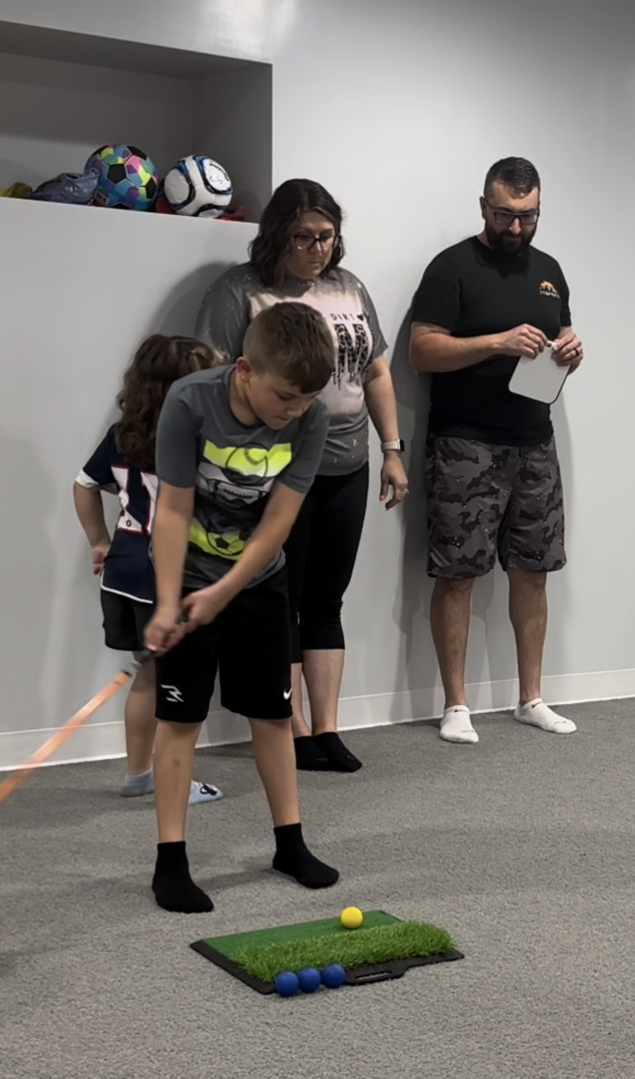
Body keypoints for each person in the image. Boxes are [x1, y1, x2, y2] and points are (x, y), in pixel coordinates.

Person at [198, 179, 408, 775]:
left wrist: (392, 450)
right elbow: (216, 378)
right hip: (277, 470)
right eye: (304, 238)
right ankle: (289, 727)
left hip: (348, 464)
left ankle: (327, 727)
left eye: (327, 237)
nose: (318, 249)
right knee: (280, 600)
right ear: (277, 236)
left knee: (326, 599)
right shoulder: (240, 291)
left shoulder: (350, 287)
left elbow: (376, 374)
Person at [141, 303, 341, 914]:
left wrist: (224, 592)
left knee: (274, 715)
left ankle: (290, 844)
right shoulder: (189, 402)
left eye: (307, 399)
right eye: (286, 397)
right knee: (180, 720)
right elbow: (172, 510)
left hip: (258, 583)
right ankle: (170, 862)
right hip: (187, 574)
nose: (295, 411)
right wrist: (169, 603)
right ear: (246, 369)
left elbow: (278, 522)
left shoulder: (311, 419)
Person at [408, 157, 585, 745]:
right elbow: (422, 351)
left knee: (534, 572)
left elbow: (561, 337)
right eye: (505, 214)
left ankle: (531, 698)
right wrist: (497, 342)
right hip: (465, 441)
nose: (516, 227)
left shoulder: (550, 271)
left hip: (535, 440)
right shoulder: (452, 267)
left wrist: (570, 351)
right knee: (458, 574)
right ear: (484, 206)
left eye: (527, 216)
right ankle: (456, 704)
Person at [71, 335, 229, 805]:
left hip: (124, 573)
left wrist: (100, 540)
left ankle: (140, 774)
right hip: (169, 576)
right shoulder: (198, 439)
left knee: (147, 677)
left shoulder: (124, 434)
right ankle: (171, 779)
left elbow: (84, 485)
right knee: (178, 684)